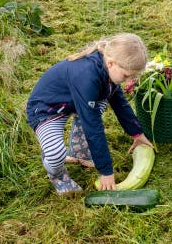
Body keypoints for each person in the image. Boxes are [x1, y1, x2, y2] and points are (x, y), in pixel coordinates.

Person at [26, 33, 154, 195]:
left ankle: (79, 151)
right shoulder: (87, 76)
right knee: (55, 154)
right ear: (111, 63)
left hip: (71, 102)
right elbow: (92, 127)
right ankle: (58, 176)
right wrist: (106, 171)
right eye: (127, 75)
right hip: (46, 110)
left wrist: (137, 133)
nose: (128, 80)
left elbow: (120, 103)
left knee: (102, 101)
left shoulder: (108, 71)